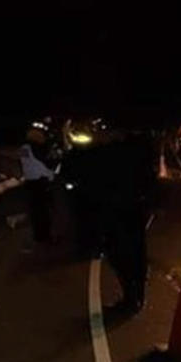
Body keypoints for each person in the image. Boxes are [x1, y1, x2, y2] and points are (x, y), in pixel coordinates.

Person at [65, 123, 152, 317]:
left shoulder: (107, 153)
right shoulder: (135, 150)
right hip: (131, 210)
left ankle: (132, 299)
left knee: (123, 254)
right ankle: (135, 297)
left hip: (119, 212)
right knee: (133, 253)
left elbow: (90, 180)